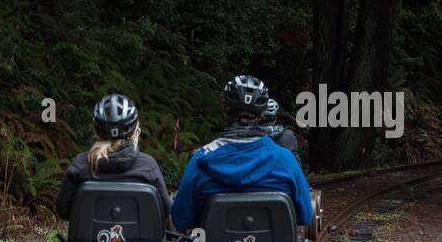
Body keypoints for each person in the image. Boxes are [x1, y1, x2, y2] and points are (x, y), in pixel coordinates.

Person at [170, 75, 313, 233]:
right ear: (262, 114)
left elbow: (180, 220)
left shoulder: (200, 161)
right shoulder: (286, 160)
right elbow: (305, 216)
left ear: (225, 110)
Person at [55, 93, 171, 221]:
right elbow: (165, 211)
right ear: (134, 129)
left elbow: (63, 211)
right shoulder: (148, 166)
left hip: (87, 241)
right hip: (140, 241)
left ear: (96, 128)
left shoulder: (80, 165)